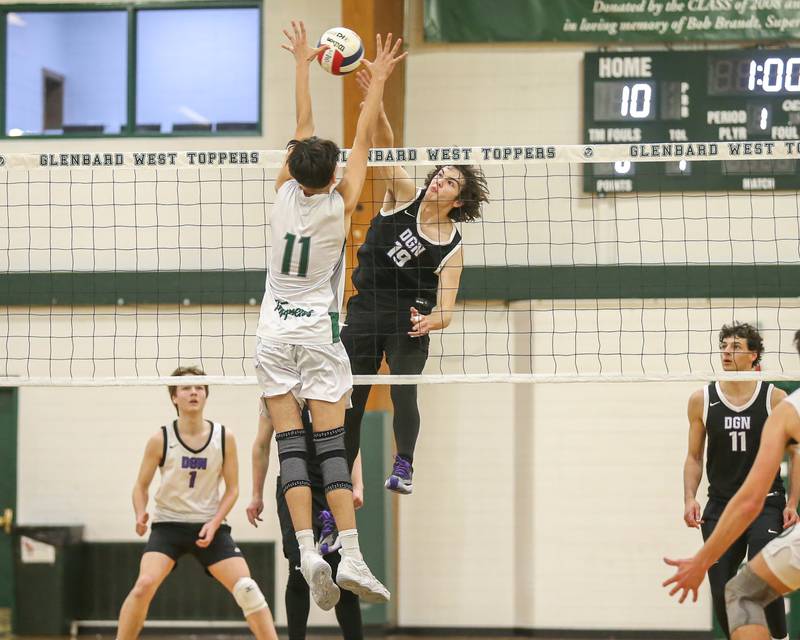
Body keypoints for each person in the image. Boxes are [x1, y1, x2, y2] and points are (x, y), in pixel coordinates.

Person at [253, 20, 405, 610]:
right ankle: (351, 552)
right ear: (331, 175)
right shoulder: (341, 206)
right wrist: (377, 84)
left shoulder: (281, 193)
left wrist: (299, 63)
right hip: (318, 335)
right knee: (331, 444)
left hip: (272, 334)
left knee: (291, 444)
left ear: (294, 169)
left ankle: (306, 551)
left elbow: (305, 128)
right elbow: (364, 137)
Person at [341, 68, 490, 494]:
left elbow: (447, 311)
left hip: (410, 317)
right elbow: (386, 146)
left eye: (449, 181)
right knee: (350, 403)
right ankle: (336, 490)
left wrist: (430, 323)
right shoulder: (403, 195)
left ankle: (403, 464)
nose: (438, 181)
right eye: (439, 174)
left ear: (457, 200)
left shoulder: (452, 246)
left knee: (404, 391)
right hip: (367, 308)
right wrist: (378, 99)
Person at [116, 366, 278, 640]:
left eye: (199, 387)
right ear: (174, 397)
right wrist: (140, 513)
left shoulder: (223, 437)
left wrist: (215, 523)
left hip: (209, 526)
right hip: (168, 526)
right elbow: (140, 487)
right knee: (144, 585)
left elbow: (233, 489)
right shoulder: (160, 439)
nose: (194, 392)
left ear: (206, 394)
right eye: (186, 388)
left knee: (247, 588)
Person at [664, 331, 800, 640]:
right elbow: (694, 457)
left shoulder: (775, 398)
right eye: (723, 346)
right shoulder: (702, 399)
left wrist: (792, 503)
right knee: (723, 585)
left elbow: (796, 453)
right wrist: (689, 497)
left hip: (765, 502)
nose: (726, 351)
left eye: (735, 346)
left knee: (760, 569)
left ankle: (779, 636)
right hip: (721, 503)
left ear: (754, 356)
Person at [247, 401, 364, 639]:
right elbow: (261, 445)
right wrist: (256, 494)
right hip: (293, 486)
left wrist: (357, 484)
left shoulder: (330, 385)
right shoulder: (276, 389)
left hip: (332, 484)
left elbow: (350, 441)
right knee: (300, 569)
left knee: (342, 572)